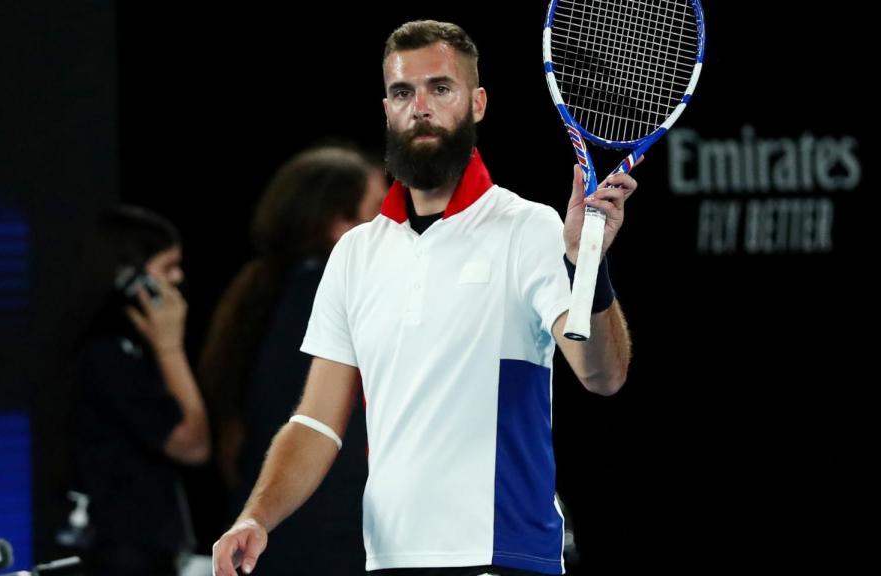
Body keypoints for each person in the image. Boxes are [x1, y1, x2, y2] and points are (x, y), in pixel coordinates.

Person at [212, 20, 634, 576]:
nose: (421, 107)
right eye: (403, 92)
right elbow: (316, 423)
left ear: (477, 103)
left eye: (441, 88)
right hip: (388, 561)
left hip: (500, 555)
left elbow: (602, 374)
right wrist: (256, 518)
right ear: (387, 108)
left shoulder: (527, 228)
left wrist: (586, 267)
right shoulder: (356, 254)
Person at [199, 145, 387, 574]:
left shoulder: (264, 295)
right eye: (375, 210)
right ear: (336, 224)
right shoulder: (321, 294)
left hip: (279, 543)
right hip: (322, 545)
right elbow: (326, 436)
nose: (390, 224)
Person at [70, 205, 210, 576]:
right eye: (167, 267)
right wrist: (171, 348)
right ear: (129, 277)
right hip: (126, 552)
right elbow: (192, 444)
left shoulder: (128, 344)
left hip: (147, 545)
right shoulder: (110, 350)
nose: (178, 278)